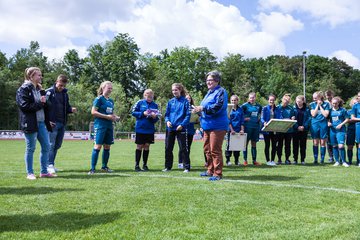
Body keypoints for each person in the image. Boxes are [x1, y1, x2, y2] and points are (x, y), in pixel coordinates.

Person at [16, 67, 56, 179]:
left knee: (47, 146)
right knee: (31, 148)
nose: (41, 77)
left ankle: (44, 172)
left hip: (42, 123)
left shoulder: (40, 89)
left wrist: (45, 104)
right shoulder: (23, 89)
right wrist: (40, 102)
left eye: (40, 75)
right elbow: (24, 106)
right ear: (31, 76)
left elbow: (47, 105)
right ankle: (30, 173)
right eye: (38, 75)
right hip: (30, 123)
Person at [192, 70, 229, 181]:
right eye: (207, 80)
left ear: (217, 80)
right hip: (207, 125)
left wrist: (203, 108)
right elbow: (205, 109)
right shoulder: (208, 93)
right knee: (207, 149)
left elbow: (219, 106)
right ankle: (210, 170)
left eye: (210, 80)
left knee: (215, 150)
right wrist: (198, 110)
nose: (208, 82)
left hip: (217, 126)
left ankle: (217, 174)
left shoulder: (221, 91)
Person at [46, 74, 77, 174]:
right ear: (56, 82)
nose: (62, 87)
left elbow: (66, 107)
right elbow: (43, 107)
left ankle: (52, 164)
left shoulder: (65, 94)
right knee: (51, 144)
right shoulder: (49, 92)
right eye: (60, 85)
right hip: (52, 123)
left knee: (57, 145)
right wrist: (47, 120)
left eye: (63, 86)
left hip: (62, 123)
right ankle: (48, 165)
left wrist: (71, 110)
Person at [88, 81, 120, 175]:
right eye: (108, 88)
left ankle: (104, 167)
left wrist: (115, 117)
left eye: (111, 88)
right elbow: (93, 112)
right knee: (97, 146)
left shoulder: (111, 101)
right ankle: (92, 169)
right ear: (103, 88)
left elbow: (111, 113)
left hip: (109, 126)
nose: (110, 90)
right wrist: (107, 117)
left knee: (107, 146)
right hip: (100, 125)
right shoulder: (99, 99)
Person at [163, 83, 191, 172]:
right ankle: (168, 167)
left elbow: (188, 115)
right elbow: (166, 114)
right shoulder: (170, 102)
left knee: (183, 148)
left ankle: (186, 167)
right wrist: (167, 121)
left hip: (181, 128)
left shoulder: (185, 102)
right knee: (168, 148)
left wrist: (182, 125)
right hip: (170, 128)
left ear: (180, 90)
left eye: (176, 90)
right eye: (173, 90)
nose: (174, 92)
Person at [131, 89, 160, 171]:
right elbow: (133, 112)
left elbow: (156, 118)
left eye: (151, 95)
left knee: (147, 146)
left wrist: (154, 117)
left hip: (150, 129)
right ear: (144, 95)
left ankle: (145, 165)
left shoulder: (155, 105)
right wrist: (142, 113)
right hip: (140, 128)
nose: (149, 96)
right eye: (147, 94)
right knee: (139, 146)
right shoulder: (140, 102)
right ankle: (137, 165)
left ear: (153, 96)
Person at [241, 92, 262, 166]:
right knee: (245, 144)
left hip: (255, 127)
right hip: (247, 127)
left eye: (253, 97)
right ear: (248, 98)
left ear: (255, 98)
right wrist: (244, 119)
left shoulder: (259, 106)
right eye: (250, 97)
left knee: (254, 143)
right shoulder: (244, 106)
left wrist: (258, 121)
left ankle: (254, 160)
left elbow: (259, 115)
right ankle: (245, 160)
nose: (252, 99)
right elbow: (240, 116)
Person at [310, 91, 330, 164]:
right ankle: (315, 159)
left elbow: (325, 115)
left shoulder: (327, 104)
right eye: (313, 98)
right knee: (315, 142)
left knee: (322, 142)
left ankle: (322, 159)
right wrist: (317, 106)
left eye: (315, 98)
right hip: (315, 124)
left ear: (320, 97)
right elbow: (313, 114)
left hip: (323, 124)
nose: (314, 99)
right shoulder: (312, 104)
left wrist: (320, 106)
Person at [275, 94, 295, 165]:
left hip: (289, 130)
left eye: (288, 101)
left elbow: (293, 116)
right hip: (280, 130)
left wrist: (293, 118)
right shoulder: (277, 108)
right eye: (285, 101)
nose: (286, 103)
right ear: (282, 100)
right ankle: (279, 159)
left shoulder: (291, 108)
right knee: (279, 145)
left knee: (288, 145)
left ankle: (287, 159)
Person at [328, 97, 349, 167]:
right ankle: (337, 161)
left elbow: (347, 119)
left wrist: (341, 124)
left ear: (338, 103)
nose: (334, 105)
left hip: (341, 130)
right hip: (332, 130)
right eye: (333, 103)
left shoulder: (342, 110)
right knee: (334, 145)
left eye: (336, 103)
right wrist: (328, 123)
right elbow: (327, 119)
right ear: (331, 103)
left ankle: (344, 161)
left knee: (341, 146)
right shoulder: (330, 110)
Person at [225, 95, 245, 166]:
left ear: (237, 101)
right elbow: (228, 121)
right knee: (229, 146)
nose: (233, 102)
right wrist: (232, 130)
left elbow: (242, 121)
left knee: (237, 146)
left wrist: (242, 130)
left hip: (238, 131)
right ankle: (228, 160)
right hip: (230, 130)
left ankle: (237, 161)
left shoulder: (240, 109)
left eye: (235, 100)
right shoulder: (228, 110)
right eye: (232, 100)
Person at [178, 94, 196, 169]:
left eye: (189, 98)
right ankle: (180, 162)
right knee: (182, 147)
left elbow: (198, 117)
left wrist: (197, 119)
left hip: (191, 130)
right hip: (182, 129)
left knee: (188, 147)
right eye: (187, 98)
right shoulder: (181, 106)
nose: (188, 99)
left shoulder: (194, 108)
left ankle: (186, 162)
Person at [292, 95, 311, 165]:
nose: (298, 103)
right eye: (297, 101)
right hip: (295, 130)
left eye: (299, 101)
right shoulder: (293, 109)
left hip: (304, 130)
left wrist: (304, 126)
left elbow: (309, 119)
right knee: (295, 145)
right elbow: (292, 119)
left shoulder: (307, 109)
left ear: (303, 101)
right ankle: (295, 159)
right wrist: (297, 127)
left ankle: (303, 160)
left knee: (303, 146)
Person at [261, 94, 277, 166]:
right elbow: (262, 118)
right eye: (270, 100)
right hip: (267, 130)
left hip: (274, 130)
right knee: (267, 145)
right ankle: (268, 160)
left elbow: (279, 117)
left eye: (273, 100)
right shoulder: (264, 108)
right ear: (268, 100)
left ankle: (273, 160)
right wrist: (264, 122)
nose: (271, 101)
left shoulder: (277, 109)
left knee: (274, 146)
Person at [346, 97, 357, 165]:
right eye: (354, 103)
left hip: (358, 130)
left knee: (358, 146)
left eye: (356, 103)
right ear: (351, 104)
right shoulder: (348, 111)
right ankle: (349, 161)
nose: (355, 104)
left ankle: (358, 161)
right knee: (350, 146)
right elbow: (347, 120)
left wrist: (352, 119)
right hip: (350, 130)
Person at [325, 90, 335, 162]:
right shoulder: (325, 103)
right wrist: (328, 122)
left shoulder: (336, 102)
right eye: (327, 95)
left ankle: (338, 155)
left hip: (336, 124)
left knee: (336, 140)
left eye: (329, 95)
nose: (328, 97)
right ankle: (331, 156)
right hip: (327, 124)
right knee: (328, 141)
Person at [351, 92, 360, 167]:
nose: (359, 97)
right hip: (358, 126)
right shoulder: (355, 106)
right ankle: (359, 161)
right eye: (359, 96)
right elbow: (352, 118)